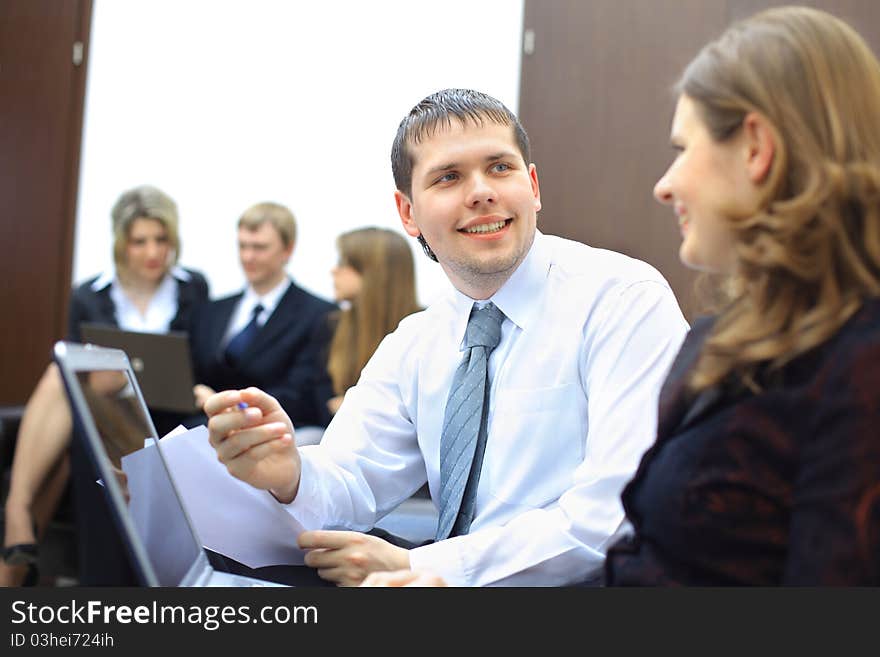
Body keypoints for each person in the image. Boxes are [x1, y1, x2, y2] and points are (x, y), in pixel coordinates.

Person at [364, 5, 880, 587]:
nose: (666, 184)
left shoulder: (856, 368)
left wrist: (439, 572)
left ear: (756, 148)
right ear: (408, 211)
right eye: (448, 177)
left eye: (684, 149)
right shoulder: (724, 342)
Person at [204, 89, 689, 587]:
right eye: (449, 177)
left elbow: (614, 514)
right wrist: (289, 474)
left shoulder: (622, 300)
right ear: (408, 213)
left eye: (501, 167)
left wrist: (425, 566)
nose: (481, 191)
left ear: (534, 186)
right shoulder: (417, 340)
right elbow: (348, 480)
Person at [1, 184, 209, 586]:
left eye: (161, 239)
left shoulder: (192, 289)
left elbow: (197, 363)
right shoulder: (89, 295)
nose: (153, 252)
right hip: (106, 411)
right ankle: (17, 514)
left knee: (66, 437)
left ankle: (16, 525)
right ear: (121, 243)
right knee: (62, 373)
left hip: (166, 416)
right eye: (140, 241)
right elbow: (79, 377)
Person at [188, 202, 335, 431]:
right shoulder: (212, 311)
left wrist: (231, 405)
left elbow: (301, 393)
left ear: (287, 250)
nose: (248, 256)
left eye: (259, 247)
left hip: (273, 433)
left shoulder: (318, 314)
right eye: (242, 246)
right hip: (204, 430)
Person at [318, 227, 421, 422]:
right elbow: (323, 401)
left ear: (373, 271)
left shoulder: (423, 328)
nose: (334, 270)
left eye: (342, 263)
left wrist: (351, 404)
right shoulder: (332, 324)